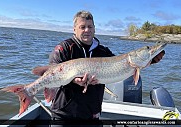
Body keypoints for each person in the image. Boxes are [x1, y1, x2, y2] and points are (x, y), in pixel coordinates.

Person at [33, 10, 165, 126]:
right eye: (82, 27)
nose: (87, 30)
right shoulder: (64, 49)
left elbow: (126, 68)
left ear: (94, 28)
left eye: (90, 26)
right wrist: (74, 80)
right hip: (64, 116)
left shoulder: (103, 51)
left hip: (92, 116)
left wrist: (151, 59)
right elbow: (53, 73)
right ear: (74, 29)